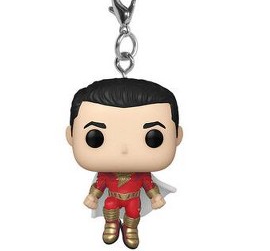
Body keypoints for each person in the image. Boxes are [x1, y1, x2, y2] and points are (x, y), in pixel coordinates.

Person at [66, 78, 183, 249]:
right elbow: (99, 185)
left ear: (177, 136)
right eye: (95, 138)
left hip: (133, 199)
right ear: (71, 136)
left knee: (133, 212)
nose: (124, 149)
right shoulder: (105, 174)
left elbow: (149, 185)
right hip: (113, 197)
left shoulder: (142, 175)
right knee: (110, 206)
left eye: (153, 138)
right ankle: (111, 224)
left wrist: (155, 196)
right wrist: (92, 196)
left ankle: (130, 229)